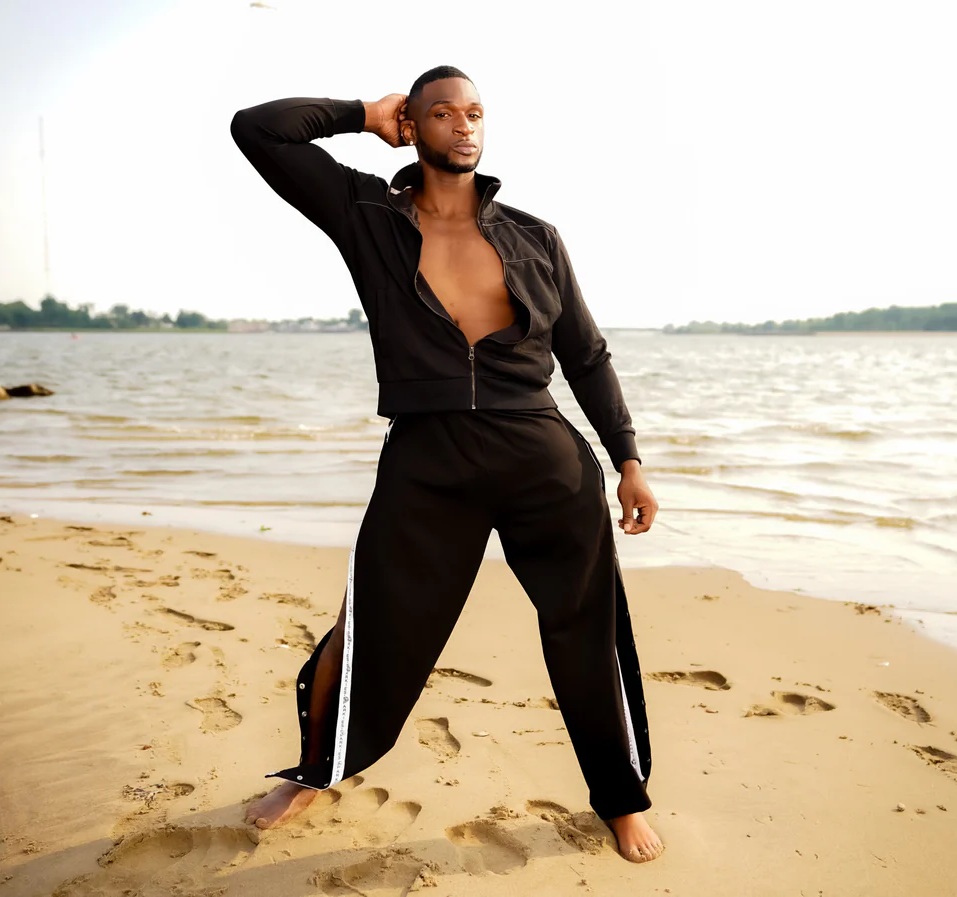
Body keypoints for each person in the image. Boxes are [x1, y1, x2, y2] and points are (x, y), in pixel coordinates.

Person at [229, 66, 663, 863]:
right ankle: (315, 769)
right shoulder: (365, 214)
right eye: (442, 112)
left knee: (585, 628)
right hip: (427, 458)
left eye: (475, 113)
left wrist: (627, 457)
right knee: (370, 629)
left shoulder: (535, 236)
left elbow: (587, 356)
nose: (464, 125)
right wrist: (362, 113)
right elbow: (256, 128)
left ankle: (620, 797)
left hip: (543, 454)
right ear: (414, 125)